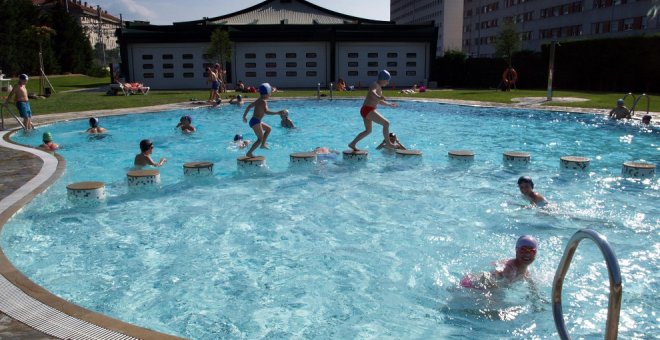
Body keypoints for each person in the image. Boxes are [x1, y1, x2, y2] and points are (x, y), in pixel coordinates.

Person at [460, 235, 538, 290]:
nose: (527, 254)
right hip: (470, 285)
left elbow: (531, 284)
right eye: (523, 250)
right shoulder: (509, 269)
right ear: (516, 250)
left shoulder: (526, 272)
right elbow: (488, 277)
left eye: (532, 251)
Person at [348, 70, 398, 151]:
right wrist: (379, 96)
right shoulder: (375, 85)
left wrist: (389, 104)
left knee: (368, 131)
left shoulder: (379, 87)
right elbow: (372, 92)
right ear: (383, 79)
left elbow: (379, 101)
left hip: (366, 110)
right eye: (387, 81)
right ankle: (388, 143)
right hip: (368, 109)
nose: (387, 83)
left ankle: (352, 144)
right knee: (386, 123)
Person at [242, 83, 288, 158]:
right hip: (255, 122)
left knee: (268, 129)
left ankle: (263, 145)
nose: (270, 95)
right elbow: (266, 112)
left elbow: (249, 106)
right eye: (270, 93)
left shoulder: (258, 100)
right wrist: (278, 113)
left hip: (255, 121)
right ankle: (249, 153)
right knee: (260, 139)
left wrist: (244, 116)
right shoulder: (263, 101)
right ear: (267, 93)